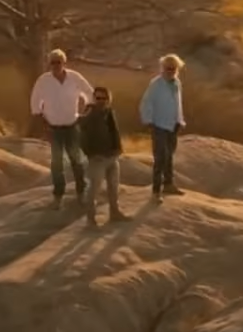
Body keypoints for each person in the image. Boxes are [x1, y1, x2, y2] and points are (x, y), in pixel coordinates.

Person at [30, 48, 94, 209]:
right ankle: (58, 196)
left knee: (76, 160)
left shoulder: (74, 77)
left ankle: (81, 192)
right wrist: (42, 121)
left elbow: (90, 93)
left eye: (59, 62)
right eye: (53, 62)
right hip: (53, 127)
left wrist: (85, 112)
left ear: (64, 63)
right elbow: (35, 101)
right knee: (57, 163)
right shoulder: (43, 80)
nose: (56, 65)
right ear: (49, 64)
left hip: (72, 124)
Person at [78, 86, 130, 227]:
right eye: (97, 98)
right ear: (94, 98)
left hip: (112, 156)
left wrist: (118, 150)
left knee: (113, 188)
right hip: (97, 158)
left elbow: (115, 132)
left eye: (103, 98)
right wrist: (91, 154)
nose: (100, 101)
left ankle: (114, 213)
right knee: (94, 189)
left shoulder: (109, 112)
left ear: (108, 99)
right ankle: (91, 220)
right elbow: (81, 133)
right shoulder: (90, 113)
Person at [139, 53, 186, 202]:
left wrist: (180, 120)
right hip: (158, 124)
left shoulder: (176, 83)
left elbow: (178, 104)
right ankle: (155, 191)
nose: (171, 70)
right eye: (168, 68)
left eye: (173, 68)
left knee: (169, 156)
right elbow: (145, 103)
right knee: (160, 158)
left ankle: (169, 184)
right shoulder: (156, 84)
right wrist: (148, 121)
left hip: (173, 125)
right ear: (162, 68)